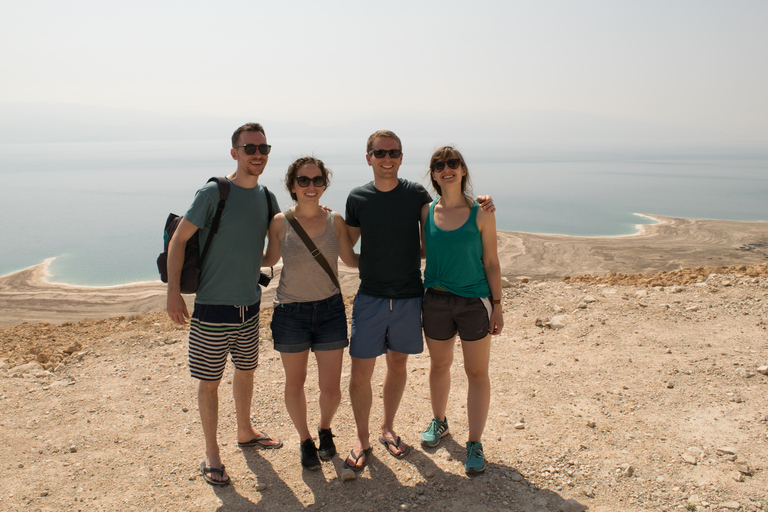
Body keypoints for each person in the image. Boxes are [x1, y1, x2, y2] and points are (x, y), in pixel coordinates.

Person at [343, 130, 494, 471]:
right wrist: (357, 261)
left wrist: (481, 204)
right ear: (368, 157)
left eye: (393, 152)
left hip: (411, 296)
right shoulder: (357, 198)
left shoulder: (415, 194)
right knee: (360, 374)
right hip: (371, 296)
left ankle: (387, 429)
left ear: (400, 156)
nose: (387, 158)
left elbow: (442, 222)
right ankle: (362, 439)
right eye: (379, 153)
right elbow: (347, 242)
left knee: (398, 365)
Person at [166, 123, 283, 486]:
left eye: (263, 147)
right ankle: (212, 454)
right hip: (212, 309)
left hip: (250, 307)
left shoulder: (267, 198)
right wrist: (173, 293)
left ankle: (245, 430)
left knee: (246, 373)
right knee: (210, 382)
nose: (258, 153)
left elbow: (268, 256)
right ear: (235, 152)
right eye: (250, 148)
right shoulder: (215, 192)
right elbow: (178, 241)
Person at [262, 157, 358, 470]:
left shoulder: (336, 221)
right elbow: (269, 259)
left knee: (330, 388)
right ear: (292, 186)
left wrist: (394, 251)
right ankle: (305, 440)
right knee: (295, 383)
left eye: (317, 180)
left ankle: (325, 429)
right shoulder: (279, 223)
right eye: (303, 181)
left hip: (330, 310)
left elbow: (351, 261)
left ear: (324, 184)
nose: (311, 186)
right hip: (291, 313)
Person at [418, 146, 504, 474]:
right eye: (439, 165)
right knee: (439, 365)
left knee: (477, 373)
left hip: (474, 302)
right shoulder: (426, 212)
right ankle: (439, 421)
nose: (446, 169)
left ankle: (475, 442)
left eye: (452, 163)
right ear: (434, 174)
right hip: (436, 300)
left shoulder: (482, 212)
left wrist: (497, 307)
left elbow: (492, 262)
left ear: (463, 170)